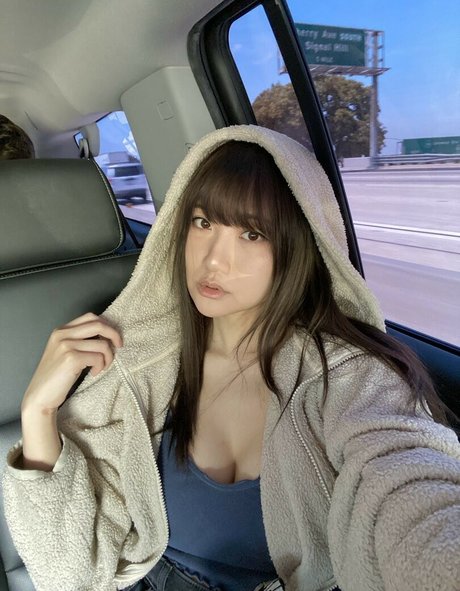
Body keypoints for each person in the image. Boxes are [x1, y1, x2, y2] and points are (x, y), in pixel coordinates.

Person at [2, 125, 460, 591]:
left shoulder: (349, 379)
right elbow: (67, 574)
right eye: (202, 222)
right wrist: (38, 411)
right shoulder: (134, 365)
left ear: (299, 247)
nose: (214, 261)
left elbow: (407, 484)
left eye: (251, 233)